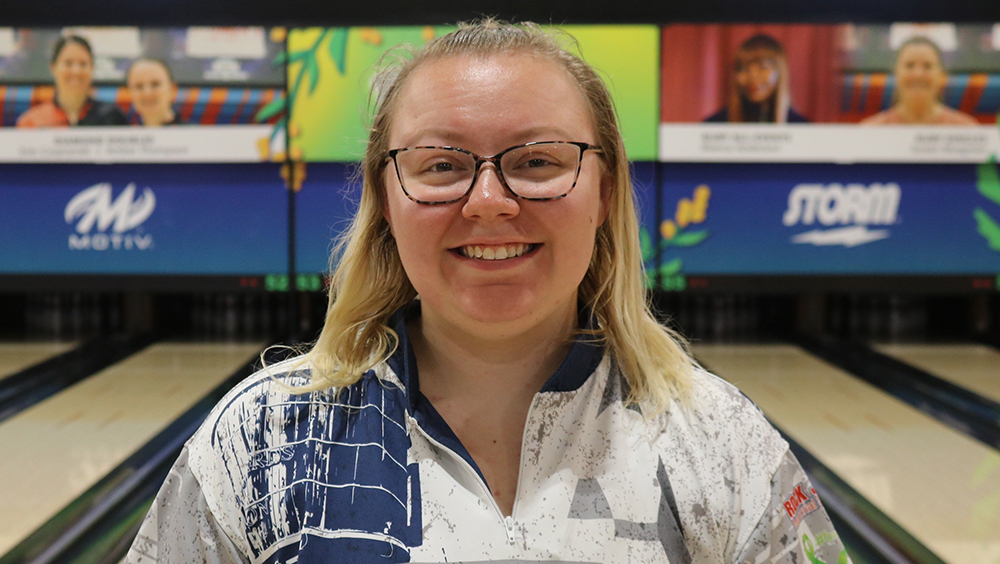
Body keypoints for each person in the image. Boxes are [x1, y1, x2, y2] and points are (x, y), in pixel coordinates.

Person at [125, 20, 850, 564]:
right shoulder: (258, 441)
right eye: (442, 165)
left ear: (604, 194)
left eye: (537, 160)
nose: (490, 201)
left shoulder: (719, 442)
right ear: (387, 197)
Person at [16, 35, 128, 127]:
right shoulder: (31, 122)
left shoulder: (113, 117)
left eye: (83, 64)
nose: (76, 71)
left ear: (92, 68)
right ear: (53, 68)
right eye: (68, 63)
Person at [861, 36, 977, 125]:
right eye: (909, 65)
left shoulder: (966, 129)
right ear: (896, 73)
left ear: (942, 76)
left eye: (927, 66)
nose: (918, 74)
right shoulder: (870, 131)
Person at [705, 34, 809, 123]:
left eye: (763, 68)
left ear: (781, 72)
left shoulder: (802, 129)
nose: (753, 77)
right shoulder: (714, 125)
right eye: (744, 69)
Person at [126, 58, 183, 126]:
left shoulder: (194, 134)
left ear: (173, 89)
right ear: (130, 92)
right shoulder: (118, 133)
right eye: (139, 86)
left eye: (155, 84)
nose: (147, 93)